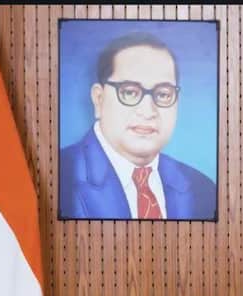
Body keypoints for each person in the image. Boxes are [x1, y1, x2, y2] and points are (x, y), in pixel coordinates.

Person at [59, 32, 216, 220]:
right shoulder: (60, 177)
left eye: (163, 94)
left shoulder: (202, 189)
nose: (148, 111)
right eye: (130, 92)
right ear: (99, 99)